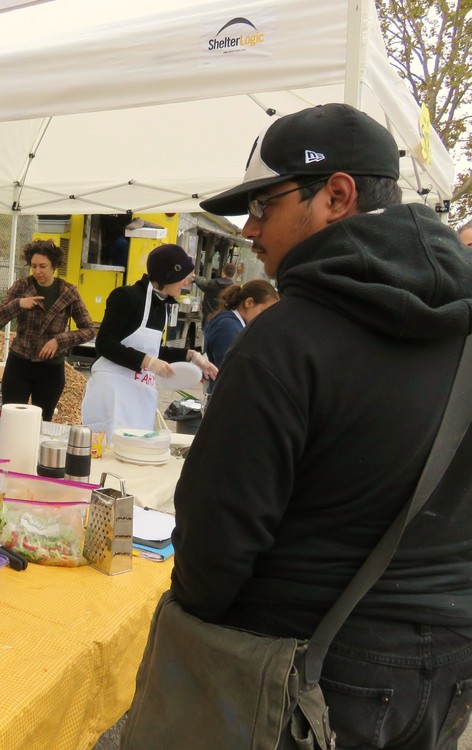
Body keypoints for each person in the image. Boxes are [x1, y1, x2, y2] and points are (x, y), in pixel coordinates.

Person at [124, 104, 472, 747]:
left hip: (309, 671)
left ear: (336, 195)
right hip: (448, 667)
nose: (250, 230)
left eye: (264, 204)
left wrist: (204, 625)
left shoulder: (285, 337)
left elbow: (216, 537)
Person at [80, 243, 217, 437]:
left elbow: (151, 349)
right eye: (183, 276)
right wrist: (149, 363)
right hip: (112, 395)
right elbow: (105, 344)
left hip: (139, 395)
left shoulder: (160, 304)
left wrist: (191, 356)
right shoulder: (126, 297)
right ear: (168, 275)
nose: (187, 282)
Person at [0, 239, 95, 421]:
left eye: (43, 266)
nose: (37, 271)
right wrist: (19, 304)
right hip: (19, 365)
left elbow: (89, 330)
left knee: (41, 423)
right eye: (34, 266)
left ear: (54, 266)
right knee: (11, 420)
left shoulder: (69, 292)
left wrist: (59, 341)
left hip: (50, 370)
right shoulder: (21, 286)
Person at [202, 279, 279, 397]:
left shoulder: (234, 323)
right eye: (263, 311)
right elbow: (230, 370)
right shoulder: (228, 326)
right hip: (225, 398)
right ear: (249, 303)